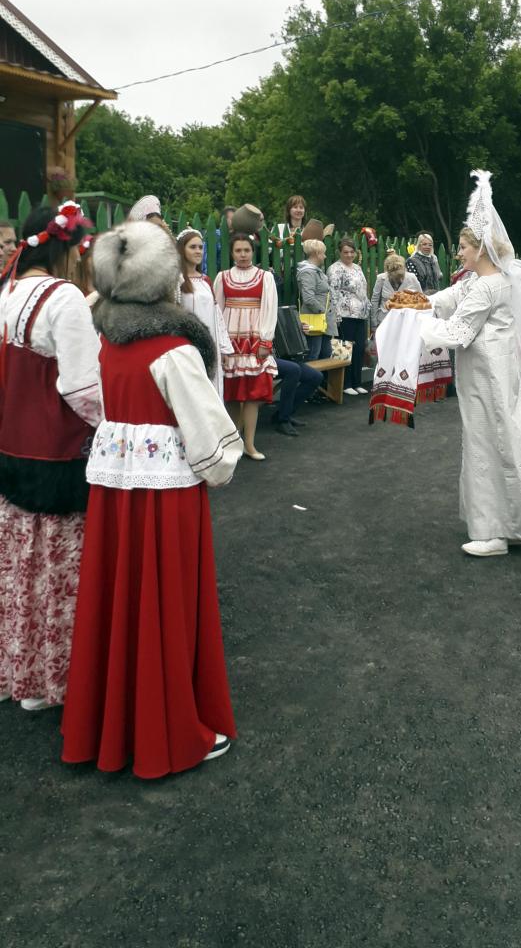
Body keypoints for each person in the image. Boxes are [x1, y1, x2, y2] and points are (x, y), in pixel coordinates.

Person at [61, 221, 241, 777]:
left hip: (115, 493)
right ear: (165, 279)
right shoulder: (173, 351)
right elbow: (214, 447)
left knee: (119, 600)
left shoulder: (107, 345)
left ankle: (110, 725)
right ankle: (168, 731)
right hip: (167, 500)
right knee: (165, 601)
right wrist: (218, 463)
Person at [0, 204, 101, 712]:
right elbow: (82, 387)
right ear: (66, 248)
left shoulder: (7, 291)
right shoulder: (64, 298)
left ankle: (23, 670)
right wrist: (113, 423)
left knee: (22, 566)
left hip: (12, 447)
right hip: (57, 454)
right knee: (59, 567)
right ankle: (53, 678)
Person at [420, 171, 521, 557]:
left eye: (462, 247)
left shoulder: (489, 285)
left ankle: (493, 531)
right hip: (487, 375)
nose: (458, 253)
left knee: (488, 444)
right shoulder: (481, 280)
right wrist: (417, 304)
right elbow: (448, 296)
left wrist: (414, 327)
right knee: (497, 442)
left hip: (490, 378)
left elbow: (458, 331)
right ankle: (510, 524)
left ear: (480, 249)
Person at [214, 232, 278, 460]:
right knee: (232, 396)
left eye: (247, 250)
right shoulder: (222, 278)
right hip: (231, 343)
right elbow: (217, 313)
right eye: (238, 250)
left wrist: (265, 341)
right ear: (232, 253)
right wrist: (220, 345)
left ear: (253, 252)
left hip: (253, 342)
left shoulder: (264, 277)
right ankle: (233, 442)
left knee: (251, 396)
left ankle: (249, 444)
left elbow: (270, 310)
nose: (242, 255)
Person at [175, 228, 234, 398]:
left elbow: (217, 316)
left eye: (200, 247)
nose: (198, 251)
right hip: (188, 346)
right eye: (192, 247)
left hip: (211, 344)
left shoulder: (206, 280)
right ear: (182, 249)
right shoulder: (176, 280)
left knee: (211, 390)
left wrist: (223, 348)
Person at [327, 237, 370, 395]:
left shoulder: (357, 268)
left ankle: (357, 382)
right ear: (339, 252)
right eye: (346, 252)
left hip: (360, 313)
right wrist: (336, 314)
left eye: (352, 252)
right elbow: (333, 292)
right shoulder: (335, 269)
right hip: (344, 314)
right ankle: (345, 384)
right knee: (344, 348)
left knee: (359, 348)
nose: (349, 255)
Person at [297, 238, 337, 363]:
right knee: (313, 356)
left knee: (325, 355)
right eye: (323, 253)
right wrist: (322, 311)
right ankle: (311, 382)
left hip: (322, 321)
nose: (325, 256)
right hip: (315, 320)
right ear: (317, 253)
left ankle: (321, 382)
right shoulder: (308, 272)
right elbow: (308, 298)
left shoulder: (315, 271)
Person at [371, 252, 422, 329]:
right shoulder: (381, 278)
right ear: (388, 271)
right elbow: (375, 300)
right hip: (384, 320)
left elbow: (421, 298)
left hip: (406, 321)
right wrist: (374, 323)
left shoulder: (412, 278)